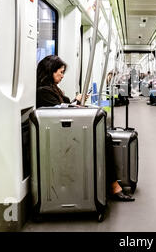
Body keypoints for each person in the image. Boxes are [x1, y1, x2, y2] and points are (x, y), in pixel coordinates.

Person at [36, 55, 134, 201]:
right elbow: (57, 112)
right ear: (51, 70)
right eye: (60, 72)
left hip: (65, 131)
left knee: (105, 136)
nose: (62, 76)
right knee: (105, 138)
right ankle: (113, 185)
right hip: (61, 135)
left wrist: (77, 100)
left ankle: (109, 182)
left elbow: (62, 106)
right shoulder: (44, 91)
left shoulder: (53, 88)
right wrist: (75, 104)